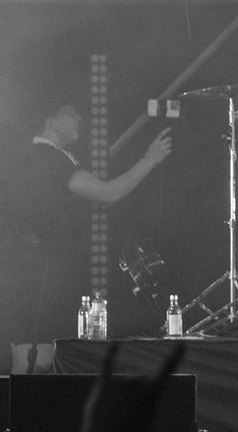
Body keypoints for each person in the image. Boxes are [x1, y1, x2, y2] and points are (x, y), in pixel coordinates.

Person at [10, 100, 173, 337]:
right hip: (47, 274)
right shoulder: (46, 156)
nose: (79, 119)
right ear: (51, 121)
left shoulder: (54, 156)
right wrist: (150, 159)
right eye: (71, 113)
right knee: (47, 350)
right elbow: (108, 193)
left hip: (54, 270)